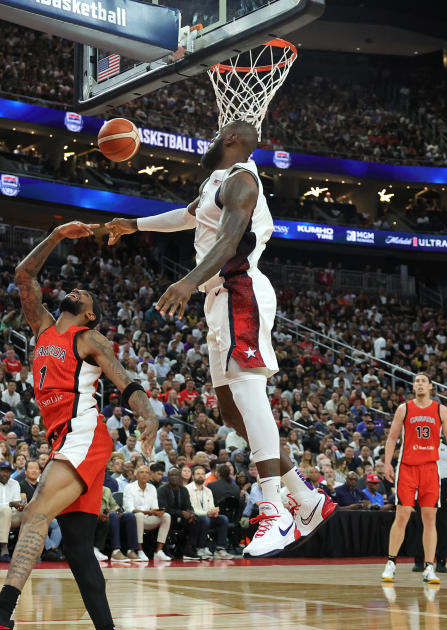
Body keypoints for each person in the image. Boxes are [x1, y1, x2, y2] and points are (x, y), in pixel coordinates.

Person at [0, 221, 158, 630]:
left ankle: (0, 616)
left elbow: (125, 380)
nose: (78, 289)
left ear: (91, 316)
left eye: (87, 296)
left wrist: (148, 413)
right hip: (67, 442)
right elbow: (24, 274)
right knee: (79, 552)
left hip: (86, 438)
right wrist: (57, 235)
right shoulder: (42, 328)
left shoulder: (88, 340)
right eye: (76, 288)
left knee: (35, 512)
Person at [105, 121, 335, 558]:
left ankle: (276, 511)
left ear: (231, 139)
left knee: (250, 396)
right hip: (218, 298)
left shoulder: (243, 181)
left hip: (239, 291)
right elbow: (186, 217)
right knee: (231, 414)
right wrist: (133, 224)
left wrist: (187, 282)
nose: (208, 143)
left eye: (215, 136)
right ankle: (306, 500)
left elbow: (230, 242)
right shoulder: (217, 182)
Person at [381, 373, 447, 585]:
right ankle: (391, 563)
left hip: (430, 468)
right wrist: (387, 463)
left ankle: (428, 567)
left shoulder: (440, 409)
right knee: (403, 514)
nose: (419, 384)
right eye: (416, 381)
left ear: (431, 387)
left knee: (430, 518)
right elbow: (392, 438)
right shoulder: (404, 408)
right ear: (413, 387)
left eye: (423, 381)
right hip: (407, 467)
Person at [123, 465, 171, 561]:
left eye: (147, 473)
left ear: (150, 476)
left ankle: (159, 551)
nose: (144, 475)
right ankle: (140, 550)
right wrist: (149, 512)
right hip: (132, 519)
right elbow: (130, 509)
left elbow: (154, 508)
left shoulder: (152, 488)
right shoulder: (129, 487)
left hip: (148, 519)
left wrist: (158, 512)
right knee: (139, 515)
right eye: (142, 472)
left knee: (166, 516)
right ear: (136, 475)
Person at [0, 460, 27, 562]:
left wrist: (20, 507)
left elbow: (16, 504)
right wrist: (10, 504)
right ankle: (4, 549)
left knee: (28, 512)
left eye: (8, 471)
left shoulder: (15, 483)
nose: (6, 474)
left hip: (11, 515)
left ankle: (24, 549)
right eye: (3, 471)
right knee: (6, 510)